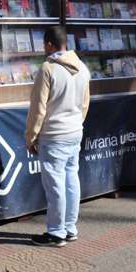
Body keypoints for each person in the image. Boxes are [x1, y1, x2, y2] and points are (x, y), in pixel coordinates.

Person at [25, 25, 90, 247]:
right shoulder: (82, 67)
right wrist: (76, 123)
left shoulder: (48, 69)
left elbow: (38, 108)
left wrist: (31, 137)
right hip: (74, 132)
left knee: (55, 185)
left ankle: (56, 232)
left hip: (54, 136)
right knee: (72, 180)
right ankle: (70, 228)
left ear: (49, 44)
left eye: (44, 44)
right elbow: (84, 104)